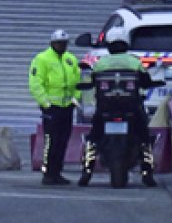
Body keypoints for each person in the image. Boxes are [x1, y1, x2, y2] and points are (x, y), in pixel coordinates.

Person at [79, 38, 157, 187]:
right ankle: (147, 173)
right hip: (132, 108)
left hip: (105, 108)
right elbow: (146, 80)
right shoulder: (134, 62)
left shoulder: (101, 62)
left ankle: (86, 172)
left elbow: (91, 81)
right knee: (145, 138)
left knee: (93, 137)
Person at [28, 30, 82, 185]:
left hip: (67, 107)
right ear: (52, 43)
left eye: (64, 43)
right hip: (51, 108)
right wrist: (45, 103)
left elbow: (77, 82)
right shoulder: (42, 59)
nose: (62, 46)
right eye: (59, 43)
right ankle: (48, 173)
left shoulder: (70, 59)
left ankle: (57, 172)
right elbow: (35, 83)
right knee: (51, 141)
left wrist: (75, 99)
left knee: (63, 140)